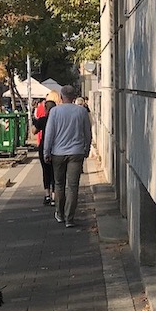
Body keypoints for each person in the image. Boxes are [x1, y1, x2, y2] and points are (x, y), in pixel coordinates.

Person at [41, 84, 93, 228]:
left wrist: (46, 152)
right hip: (76, 152)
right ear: (74, 97)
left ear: (61, 97)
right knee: (73, 186)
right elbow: (87, 133)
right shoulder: (81, 111)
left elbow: (49, 134)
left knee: (59, 184)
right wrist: (87, 149)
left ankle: (60, 213)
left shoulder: (55, 111)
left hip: (58, 153)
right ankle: (70, 217)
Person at [33, 91, 59, 206]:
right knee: (55, 172)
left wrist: (35, 122)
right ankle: (54, 196)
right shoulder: (58, 120)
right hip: (57, 148)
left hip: (43, 147)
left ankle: (47, 195)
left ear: (45, 109)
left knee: (46, 171)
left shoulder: (43, 120)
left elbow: (34, 131)